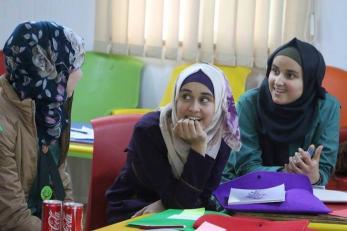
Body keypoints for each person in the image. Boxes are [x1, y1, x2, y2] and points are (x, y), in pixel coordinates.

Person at [106, 63, 241, 223]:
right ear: (176, 98)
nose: (193, 108)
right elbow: (182, 202)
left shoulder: (221, 135)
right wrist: (198, 148)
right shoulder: (149, 130)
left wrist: (165, 205)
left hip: (186, 211)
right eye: (186, 97)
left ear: (218, 104)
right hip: (136, 207)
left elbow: (202, 197)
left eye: (204, 100)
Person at [0, 21, 85, 230]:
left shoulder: (50, 110)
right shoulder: (5, 123)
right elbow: (12, 218)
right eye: (72, 65)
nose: (79, 74)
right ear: (47, 69)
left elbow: (60, 178)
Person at [222, 38, 340, 186]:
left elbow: (324, 168)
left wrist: (314, 175)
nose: (277, 81)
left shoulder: (327, 108)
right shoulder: (249, 103)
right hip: (249, 189)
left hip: (302, 190)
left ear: (310, 80)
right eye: (275, 71)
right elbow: (246, 167)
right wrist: (285, 174)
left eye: (290, 75)